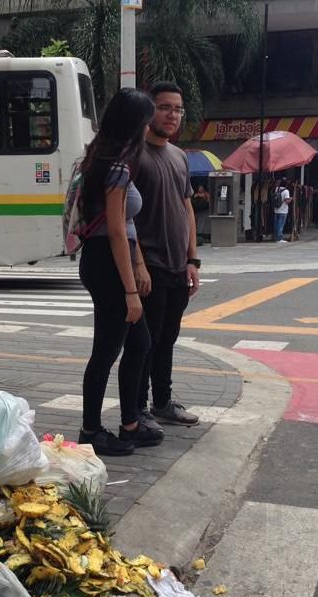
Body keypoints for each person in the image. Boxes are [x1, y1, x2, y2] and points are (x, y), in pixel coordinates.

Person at [74, 89, 158, 456]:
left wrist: (137, 266)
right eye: (146, 121)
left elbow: (121, 227)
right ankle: (91, 431)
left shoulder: (98, 158)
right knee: (106, 351)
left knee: (139, 342)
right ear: (135, 125)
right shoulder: (118, 166)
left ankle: (130, 423)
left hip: (102, 259)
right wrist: (129, 290)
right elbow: (117, 230)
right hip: (108, 264)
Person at [132, 81, 200, 430]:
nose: (173, 115)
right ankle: (139, 409)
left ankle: (162, 401)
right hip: (150, 267)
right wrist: (138, 264)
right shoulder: (135, 155)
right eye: (165, 107)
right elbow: (125, 218)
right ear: (149, 110)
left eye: (178, 109)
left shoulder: (178, 156)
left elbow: (186, 207)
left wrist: (193, 259)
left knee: (168, 337)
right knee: (147, 340)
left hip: (177, 266)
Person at [272, 178, 292, 243]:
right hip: (283, 210)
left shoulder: (277, 189)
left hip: (276, 210)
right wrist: (291, 199)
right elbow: (287, 201)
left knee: (276, 224)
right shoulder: (286, 191)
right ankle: (279, 238)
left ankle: (275, 237)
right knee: (281, 224)